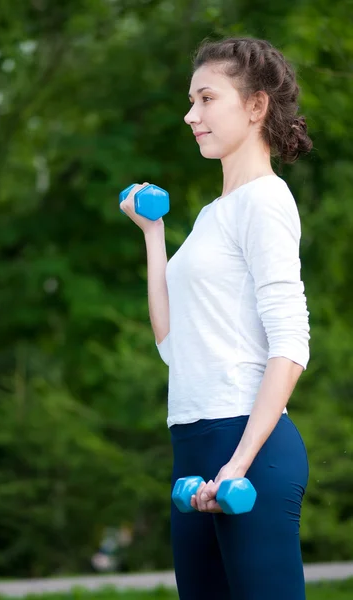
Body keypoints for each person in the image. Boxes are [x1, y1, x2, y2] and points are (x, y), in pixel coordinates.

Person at [120, 36, 312, 600]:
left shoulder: (266, 202)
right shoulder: (213, 214)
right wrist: (154, 236)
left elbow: (291, 343)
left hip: (248, 444)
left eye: (206, 99)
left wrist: (239, 463)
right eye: (191, 100)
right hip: (195, 443)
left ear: (255, 107)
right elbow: (172, 345)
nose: (190, 115)